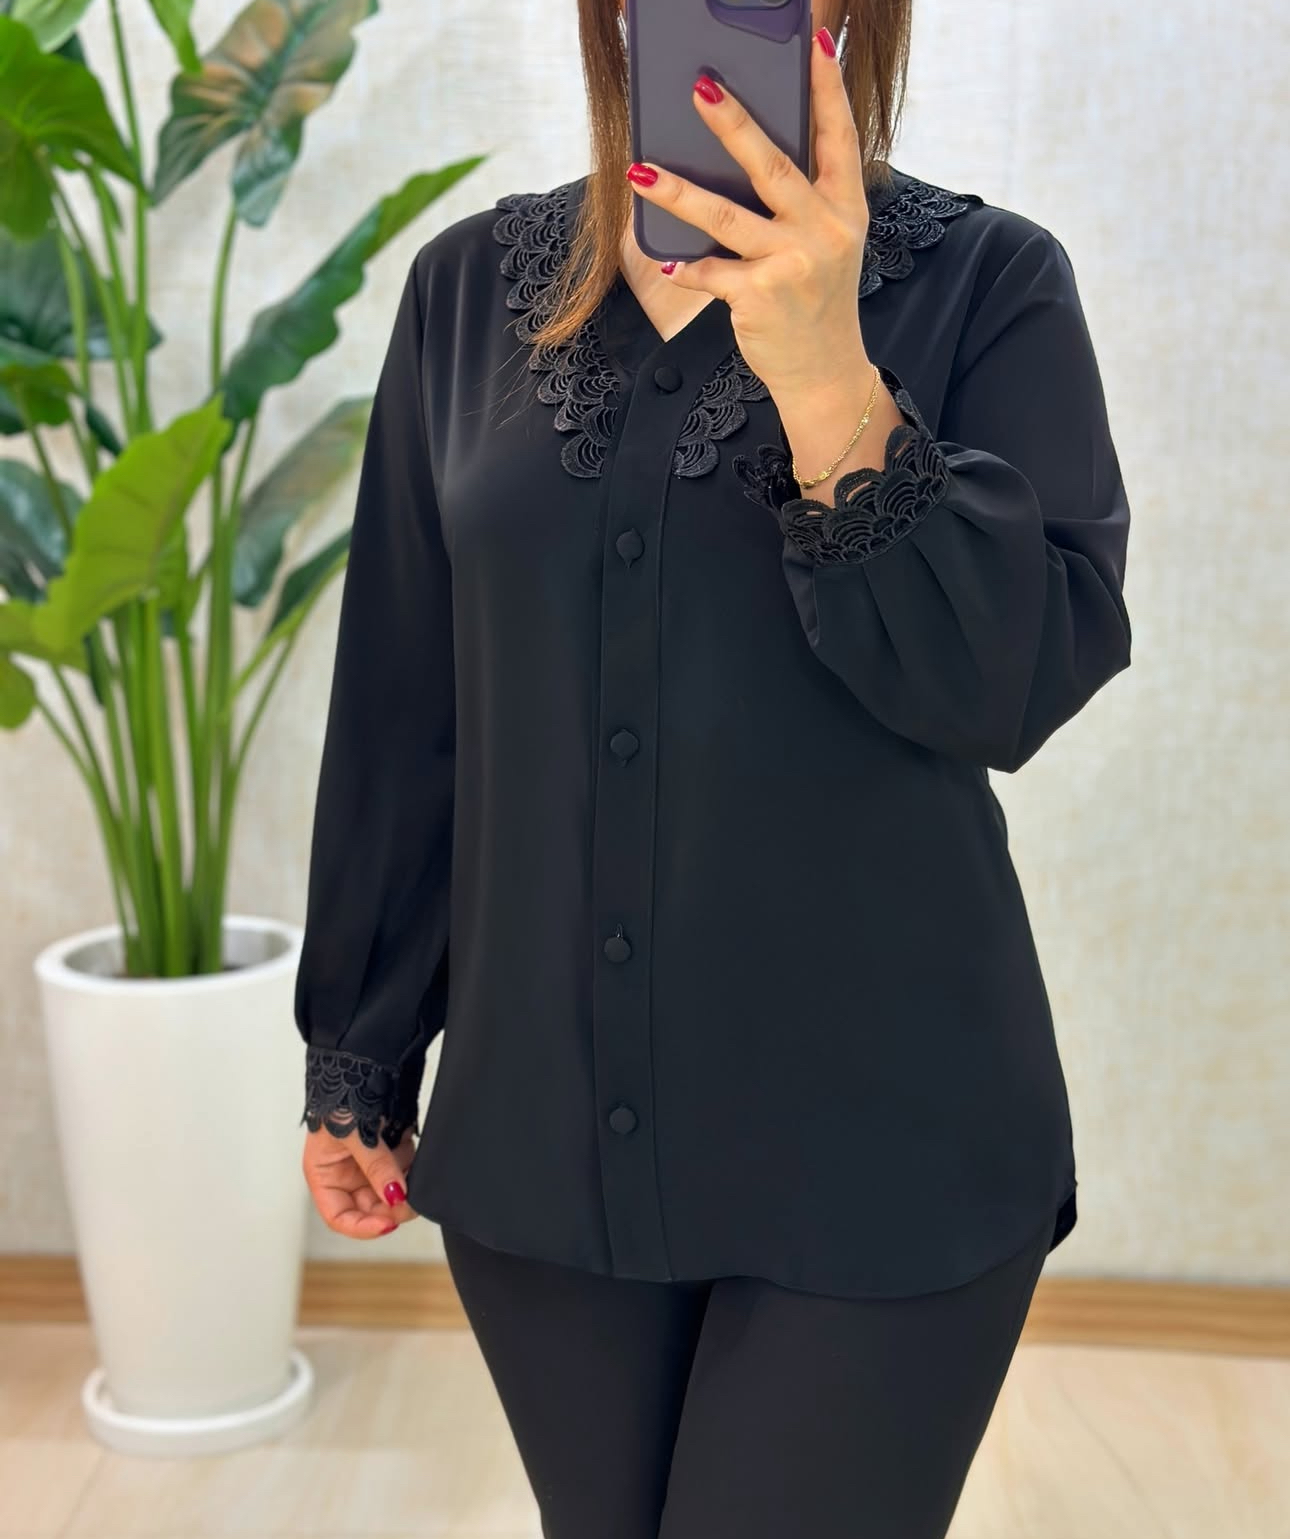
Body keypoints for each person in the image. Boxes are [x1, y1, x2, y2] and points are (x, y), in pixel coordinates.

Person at [292, 3, 1132, 1535]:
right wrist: (360, 1048)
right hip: (542, 1156)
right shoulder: (465, 290)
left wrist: (827, 379)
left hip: (885, 1154)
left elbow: (1010, 688)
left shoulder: (988, 283)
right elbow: (409, 704)